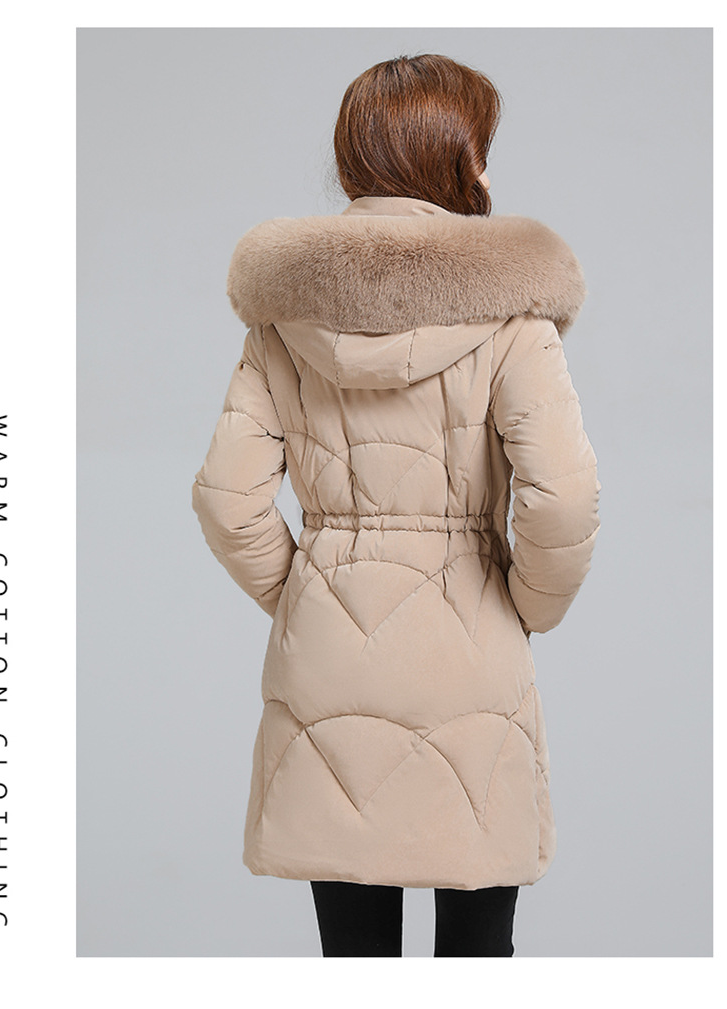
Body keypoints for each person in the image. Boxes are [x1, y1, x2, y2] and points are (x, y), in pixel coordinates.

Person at [192, 53, 601, 957]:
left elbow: (226, 498)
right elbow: (564, 497)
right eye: (483, 147)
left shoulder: (282, 320)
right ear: (459, 160)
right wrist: (524, 605)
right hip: (471, 653)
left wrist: (309, 592)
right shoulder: (514, 315)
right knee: (477, 953)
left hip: (328, 655)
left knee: (354, 958)